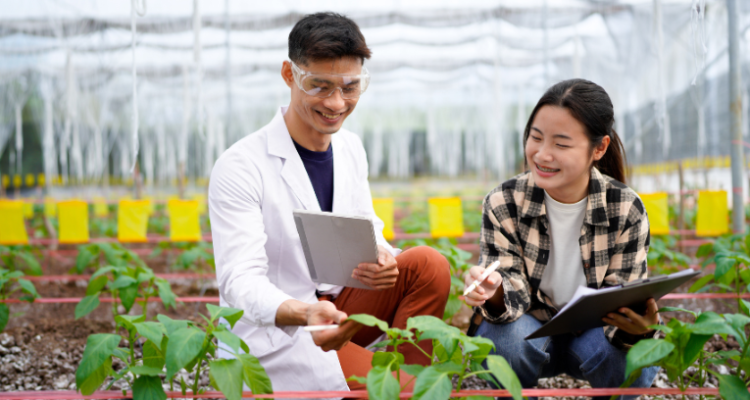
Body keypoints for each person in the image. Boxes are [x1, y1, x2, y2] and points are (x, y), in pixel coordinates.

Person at [208, 12, 450, 394]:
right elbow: (240, 281)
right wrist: (304, 312)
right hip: (286, 331)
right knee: (409, 389)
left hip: (340, 307)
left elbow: (366, 224)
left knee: (428, 265)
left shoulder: (350, 148)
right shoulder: (241, 166)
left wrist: (383, 256)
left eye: (350, 87)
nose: (337, 103)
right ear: (290, 75)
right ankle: (399, 387)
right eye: (319, 86)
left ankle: (400, 379)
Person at [463, 79, 660, 399]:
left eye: (561, 144)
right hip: (530, 329)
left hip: (596, 337)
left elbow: (621, 297)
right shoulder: (504, 202)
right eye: (535, 137)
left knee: (632, 360)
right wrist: (494, 291)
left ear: (599, 148)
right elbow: (508, 293)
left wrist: (636, 329)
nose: (542, 154)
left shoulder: (624, 208)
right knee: (503, 343)